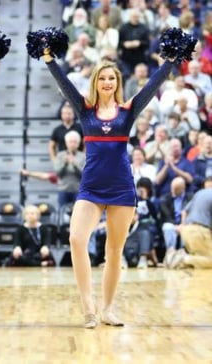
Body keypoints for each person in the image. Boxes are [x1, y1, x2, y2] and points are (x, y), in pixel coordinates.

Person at [40, 35, 179, 328]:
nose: (107, 82)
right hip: (90, 188)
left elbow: (151, 85)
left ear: (117, 83)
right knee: (77, 239)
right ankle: (88, 307)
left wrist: (170, 60)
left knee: (113, 252)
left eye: (111, 78)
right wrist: (50, 59)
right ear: (95, 82)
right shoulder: (84, 109)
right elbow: (66, 86)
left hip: (122, 189)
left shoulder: (128, 112)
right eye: (102, 78)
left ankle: (108, 309)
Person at [168, 177, 212, 269]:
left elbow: (184, 211)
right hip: (199, 231)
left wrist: (183, 226)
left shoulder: (199, 193)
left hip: (187, 231)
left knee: (200, 260)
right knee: (209, 260)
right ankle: (183, 259)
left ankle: (178, 261)